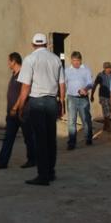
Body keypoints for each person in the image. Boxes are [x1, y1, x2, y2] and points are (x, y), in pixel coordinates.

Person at [17, 33, 66, 186]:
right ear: (46, 44)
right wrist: (62, 103)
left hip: (37, 101)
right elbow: (62, 84)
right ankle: (50, 172)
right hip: (52, 101)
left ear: (33, 44)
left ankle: (42, 175)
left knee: (40, 139)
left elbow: (26, 85)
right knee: (51, 138)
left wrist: (20, 105)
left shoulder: (30, 59)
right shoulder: (56, 59)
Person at [0, 52, 36, 170]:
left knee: (28, 137)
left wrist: (15, 107)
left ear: (14, 61)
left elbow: (24, 92)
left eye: (9, 61)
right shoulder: (14, 74)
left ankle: (32, 159)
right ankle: (2, 162)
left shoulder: (23, 74)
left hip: (22, 111)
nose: (8, 63)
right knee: (8, 138)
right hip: (12, 113)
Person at [64, 51, 93, 150]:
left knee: (86, 119)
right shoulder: (67, 70)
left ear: (81, 60)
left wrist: (85, 89)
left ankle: (88, 138)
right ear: (71, 60)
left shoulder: (86, 70)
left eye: (78, 61)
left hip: (83, 99)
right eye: (74, 60)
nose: (76, 62)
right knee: (71, 121)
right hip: (71, 98)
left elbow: (90, 83)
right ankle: (71, 143)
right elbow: (63, 83)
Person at [91, 61, 111, 132]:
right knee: (106, 111)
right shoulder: (100, 75)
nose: (108, 69)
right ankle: (108, 126)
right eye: (106, 68)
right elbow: (95, 85)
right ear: (104, 68)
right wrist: (92, 95)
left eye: (109, 67)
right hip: (103, 96)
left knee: (109, 111)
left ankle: (105, 125)